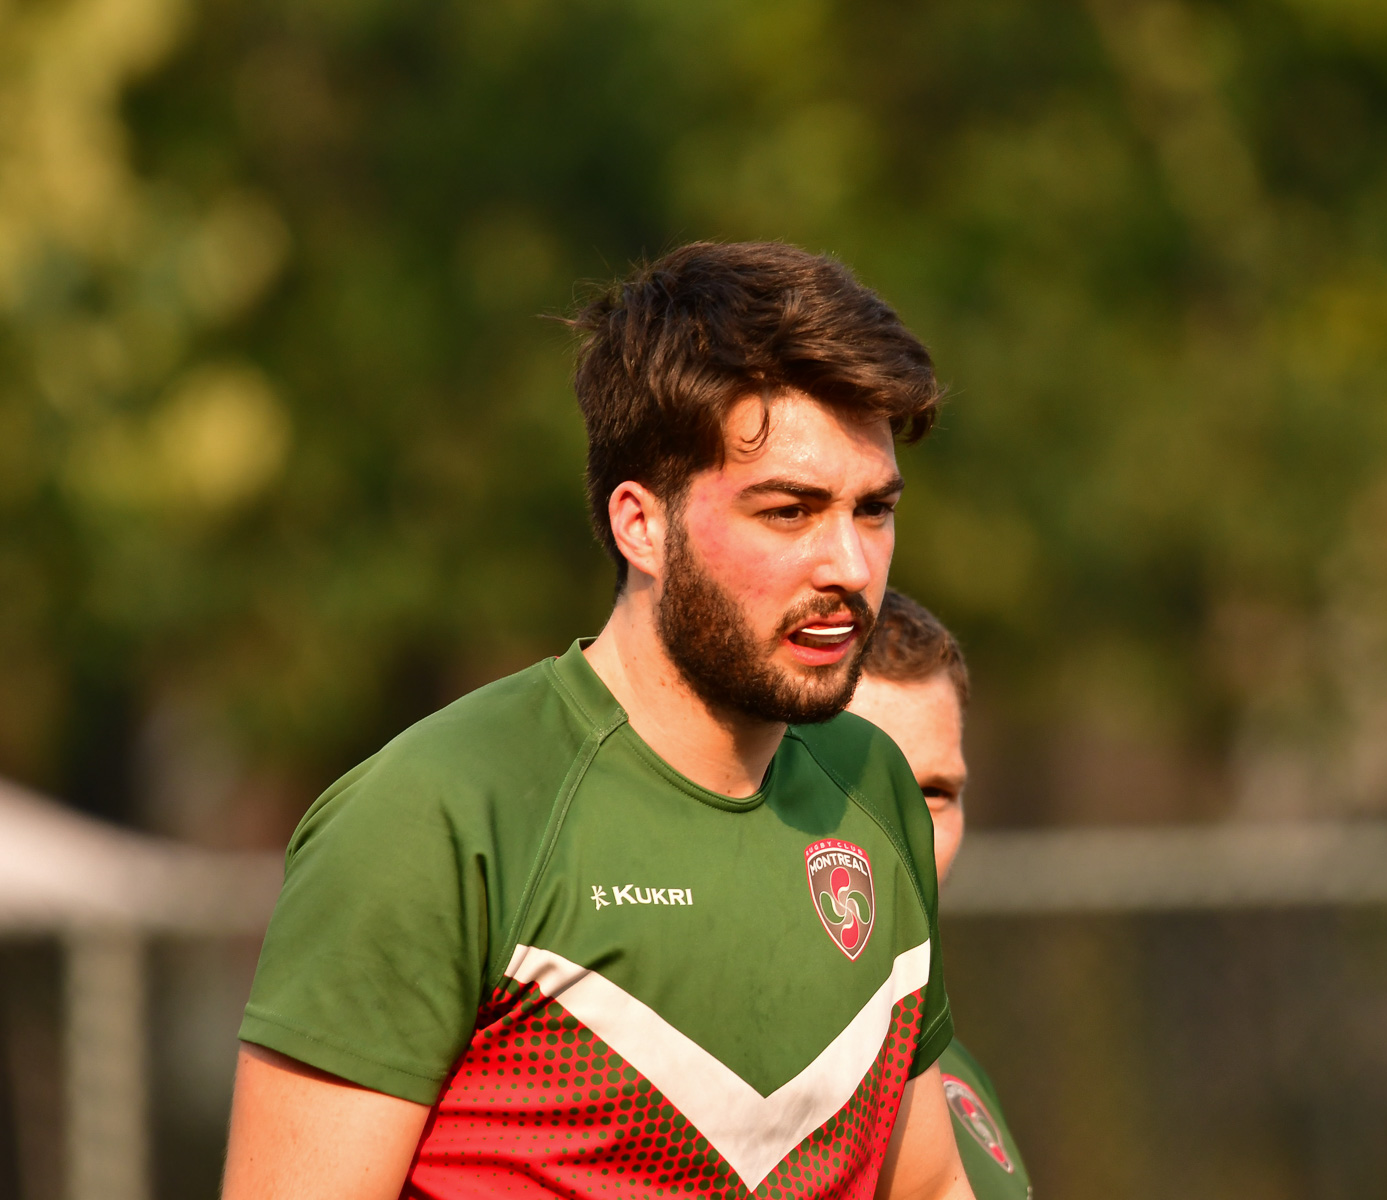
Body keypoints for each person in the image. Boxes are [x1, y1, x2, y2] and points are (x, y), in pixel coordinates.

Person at [221, 242, 977, 1200]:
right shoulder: (439, 811)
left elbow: (930, 1185)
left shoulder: (874, 787)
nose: (851, 566)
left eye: (873, 511)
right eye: (789, 511)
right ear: (640, 525)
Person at [845, 592, 1032, 1200]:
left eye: (934, 792)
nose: (909, 832)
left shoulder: (954, 1074)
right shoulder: (698, 1087)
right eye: (869, 786)